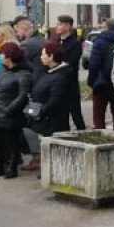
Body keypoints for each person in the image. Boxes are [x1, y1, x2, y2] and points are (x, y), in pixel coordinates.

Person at [0, 43, 32, 179]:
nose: (0, 56)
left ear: (9, 57)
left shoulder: (24, 74)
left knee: (11, 142)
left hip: (8, 114)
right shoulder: (1, 70)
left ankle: (11, 166)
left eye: (2, 54)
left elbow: (22, 96)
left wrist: (9, 110)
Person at [22, 41, 72, 170]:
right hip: (41, 114)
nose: (41, 57)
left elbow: (56, 99)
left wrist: (42, 111)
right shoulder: (48, 72)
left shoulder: (61, 76)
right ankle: (42, 163)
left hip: (51, 119)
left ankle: (52, 168)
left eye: (43, 54)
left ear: (51, 56)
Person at [88, 19, 114, 131]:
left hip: (101, 84)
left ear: (105, 28)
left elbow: (94, 64)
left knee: (99, 116)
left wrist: (92, 82)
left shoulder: (99, 41)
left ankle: (101, 135)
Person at [55, 15, 84, 130]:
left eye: (59, 24)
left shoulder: (75, 43)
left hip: (70, 85)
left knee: (76, 114)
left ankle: (82, 133)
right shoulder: (56, 42)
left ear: (67, 26)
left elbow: (71, 63)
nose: (57, 26)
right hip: (57, 84)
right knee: (61, 116)